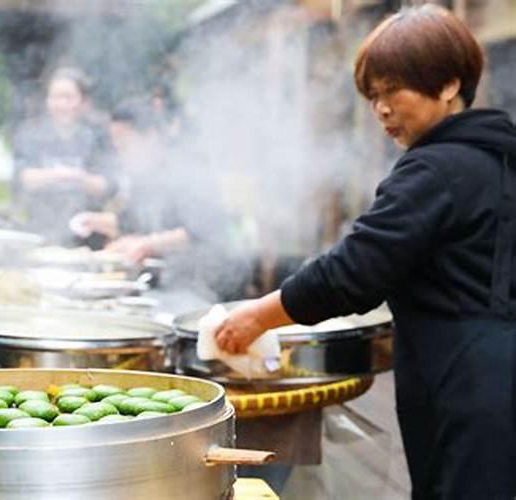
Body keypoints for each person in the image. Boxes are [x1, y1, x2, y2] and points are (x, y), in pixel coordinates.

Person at [214, 6, 516, 499]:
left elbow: (352, 271)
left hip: (466, 389)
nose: (380, 109)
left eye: (392, 89)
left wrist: (258, 316)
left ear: (447, 85)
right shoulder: (497, 160)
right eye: (372, 96)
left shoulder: (432, 171)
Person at [72, 98, 249, 298]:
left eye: (125, 146)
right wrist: (95, 221)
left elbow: (201, 228)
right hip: (166, 282)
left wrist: (146, 244)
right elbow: (133, 222)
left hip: (204, 284)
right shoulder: (144, 174)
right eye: (117, 148)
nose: (120, 155)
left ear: (151, 137)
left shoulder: (188, 166)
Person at [12, 66, 115, 245]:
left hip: (89, 238)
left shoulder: (97, 137)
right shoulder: (31, 135)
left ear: (83, 102)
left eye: (68, 98)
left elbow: (106, 186)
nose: (61, 105)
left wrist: (77, 177)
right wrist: (61, 175)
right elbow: (25, 179)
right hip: (40, 232)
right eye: (55, 97)